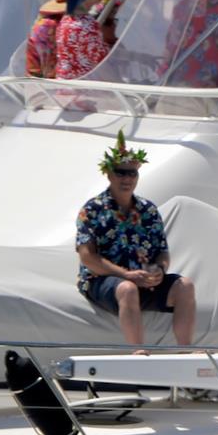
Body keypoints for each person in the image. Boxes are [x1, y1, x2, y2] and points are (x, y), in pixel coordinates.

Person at [75, 132, 195, 351]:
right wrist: (126, 275)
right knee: (128, 289)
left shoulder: (148, 210)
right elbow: (87, 257)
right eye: (120, 172)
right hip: (101, 281)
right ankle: (139, 352)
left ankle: (186, 350)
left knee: (185, 286)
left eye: (132, 173)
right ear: (109, 174)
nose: (127, 179)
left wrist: (159, 270)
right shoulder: (92, 210)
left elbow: (162, 252)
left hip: (142, 280)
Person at [53, 0, 116, 80]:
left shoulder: (66, 21)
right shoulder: (87, 26)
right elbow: (103, 66)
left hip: (65, 86)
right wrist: (121, 85)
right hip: (84, 88)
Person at [24, 0, 66, 78]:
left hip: (42, 84)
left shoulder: (39, 27)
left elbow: (32, 70)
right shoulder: (69, 25)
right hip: (66, 83)